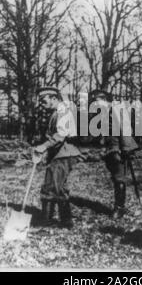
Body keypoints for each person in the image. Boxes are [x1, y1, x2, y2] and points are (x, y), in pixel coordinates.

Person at [33, 87, 82, 229]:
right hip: (61, 153)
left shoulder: (63, 111)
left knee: (50, 186)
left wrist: (43, 146)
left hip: (65, 153)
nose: (42, 104)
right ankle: (66, 221)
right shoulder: (57, 112)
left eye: (44, 100)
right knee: (59, 187)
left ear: (54, 98)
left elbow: (60, 136)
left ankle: (46, 222)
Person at [88, 90, 139, 218]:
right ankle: (119, 206)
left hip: (119, 148)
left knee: (119, 177)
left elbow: (125, 128)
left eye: (97, 101)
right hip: (109, 148)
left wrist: (127, 148)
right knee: (115, 176)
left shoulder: (117, 109)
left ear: (104, 99)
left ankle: (119, 208)